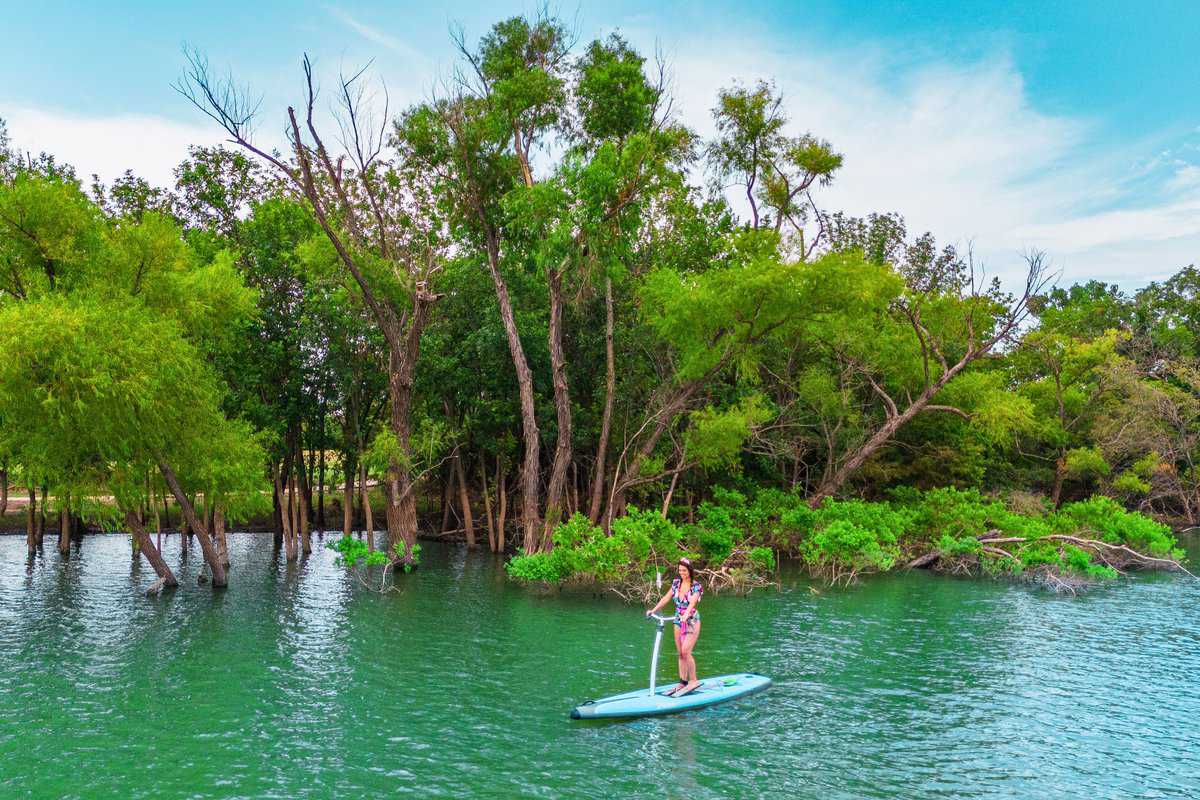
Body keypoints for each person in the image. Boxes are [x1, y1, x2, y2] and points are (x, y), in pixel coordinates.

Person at [646, 557, 704, 696]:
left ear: (690, 571)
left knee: (686, 651)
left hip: (691, 621)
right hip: (678, 619)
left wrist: (686, 615)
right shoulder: (676, 583)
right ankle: (683, 682)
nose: (682, 573)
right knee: (680, 653)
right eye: (680, 570)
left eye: (684, 570)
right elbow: (666, 598)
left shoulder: (696, 586)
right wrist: (653, 610)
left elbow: (692, 603)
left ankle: (693, 680)